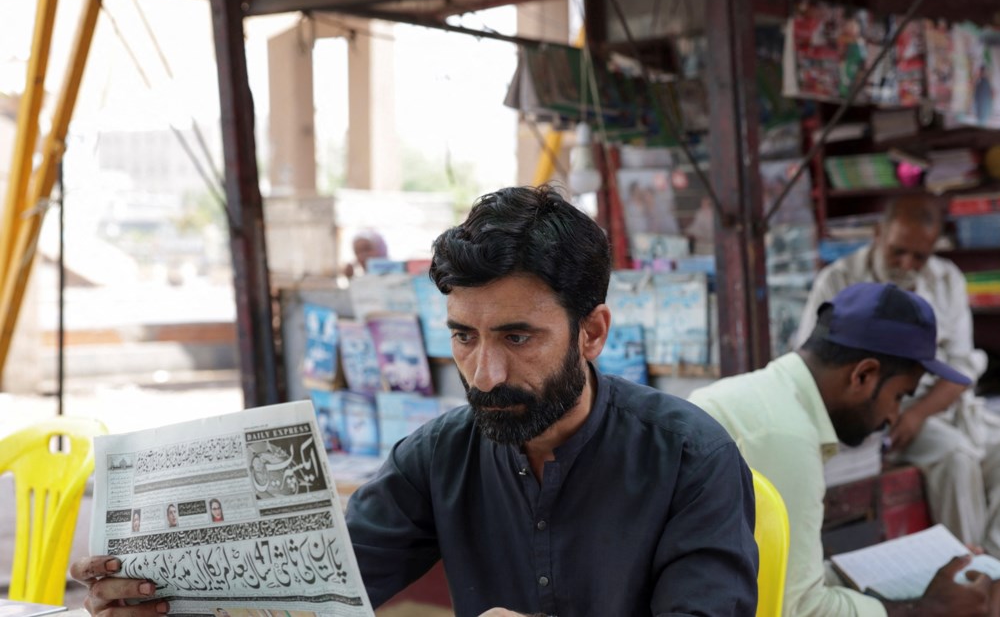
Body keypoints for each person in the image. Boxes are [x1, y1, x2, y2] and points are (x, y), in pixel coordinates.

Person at [68, 185, 758, 617]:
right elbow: (316, 594)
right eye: (464, 336)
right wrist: (165, 602)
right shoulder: (438, 457)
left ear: (593, 333)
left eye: (518, 336)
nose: (485, 373)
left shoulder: (690, 458)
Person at [794, 194, 1000, 615]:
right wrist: (899, 413)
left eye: (919, 256)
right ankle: (962, 583)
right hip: (878, 412)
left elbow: (961, 369)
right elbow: (812, 361)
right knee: (957, 458)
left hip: (937, 406)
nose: (908, 264)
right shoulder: (838, 280)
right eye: (898, 251)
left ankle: (994, 597)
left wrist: (917, 412)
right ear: (878, 234)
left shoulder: (947, 280)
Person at [691, 282, 994, 617]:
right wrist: (923, 610)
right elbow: (797, 610)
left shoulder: (763, 398)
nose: (894, 416)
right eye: (898, 397)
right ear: (863, 375)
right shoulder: (784, 435)